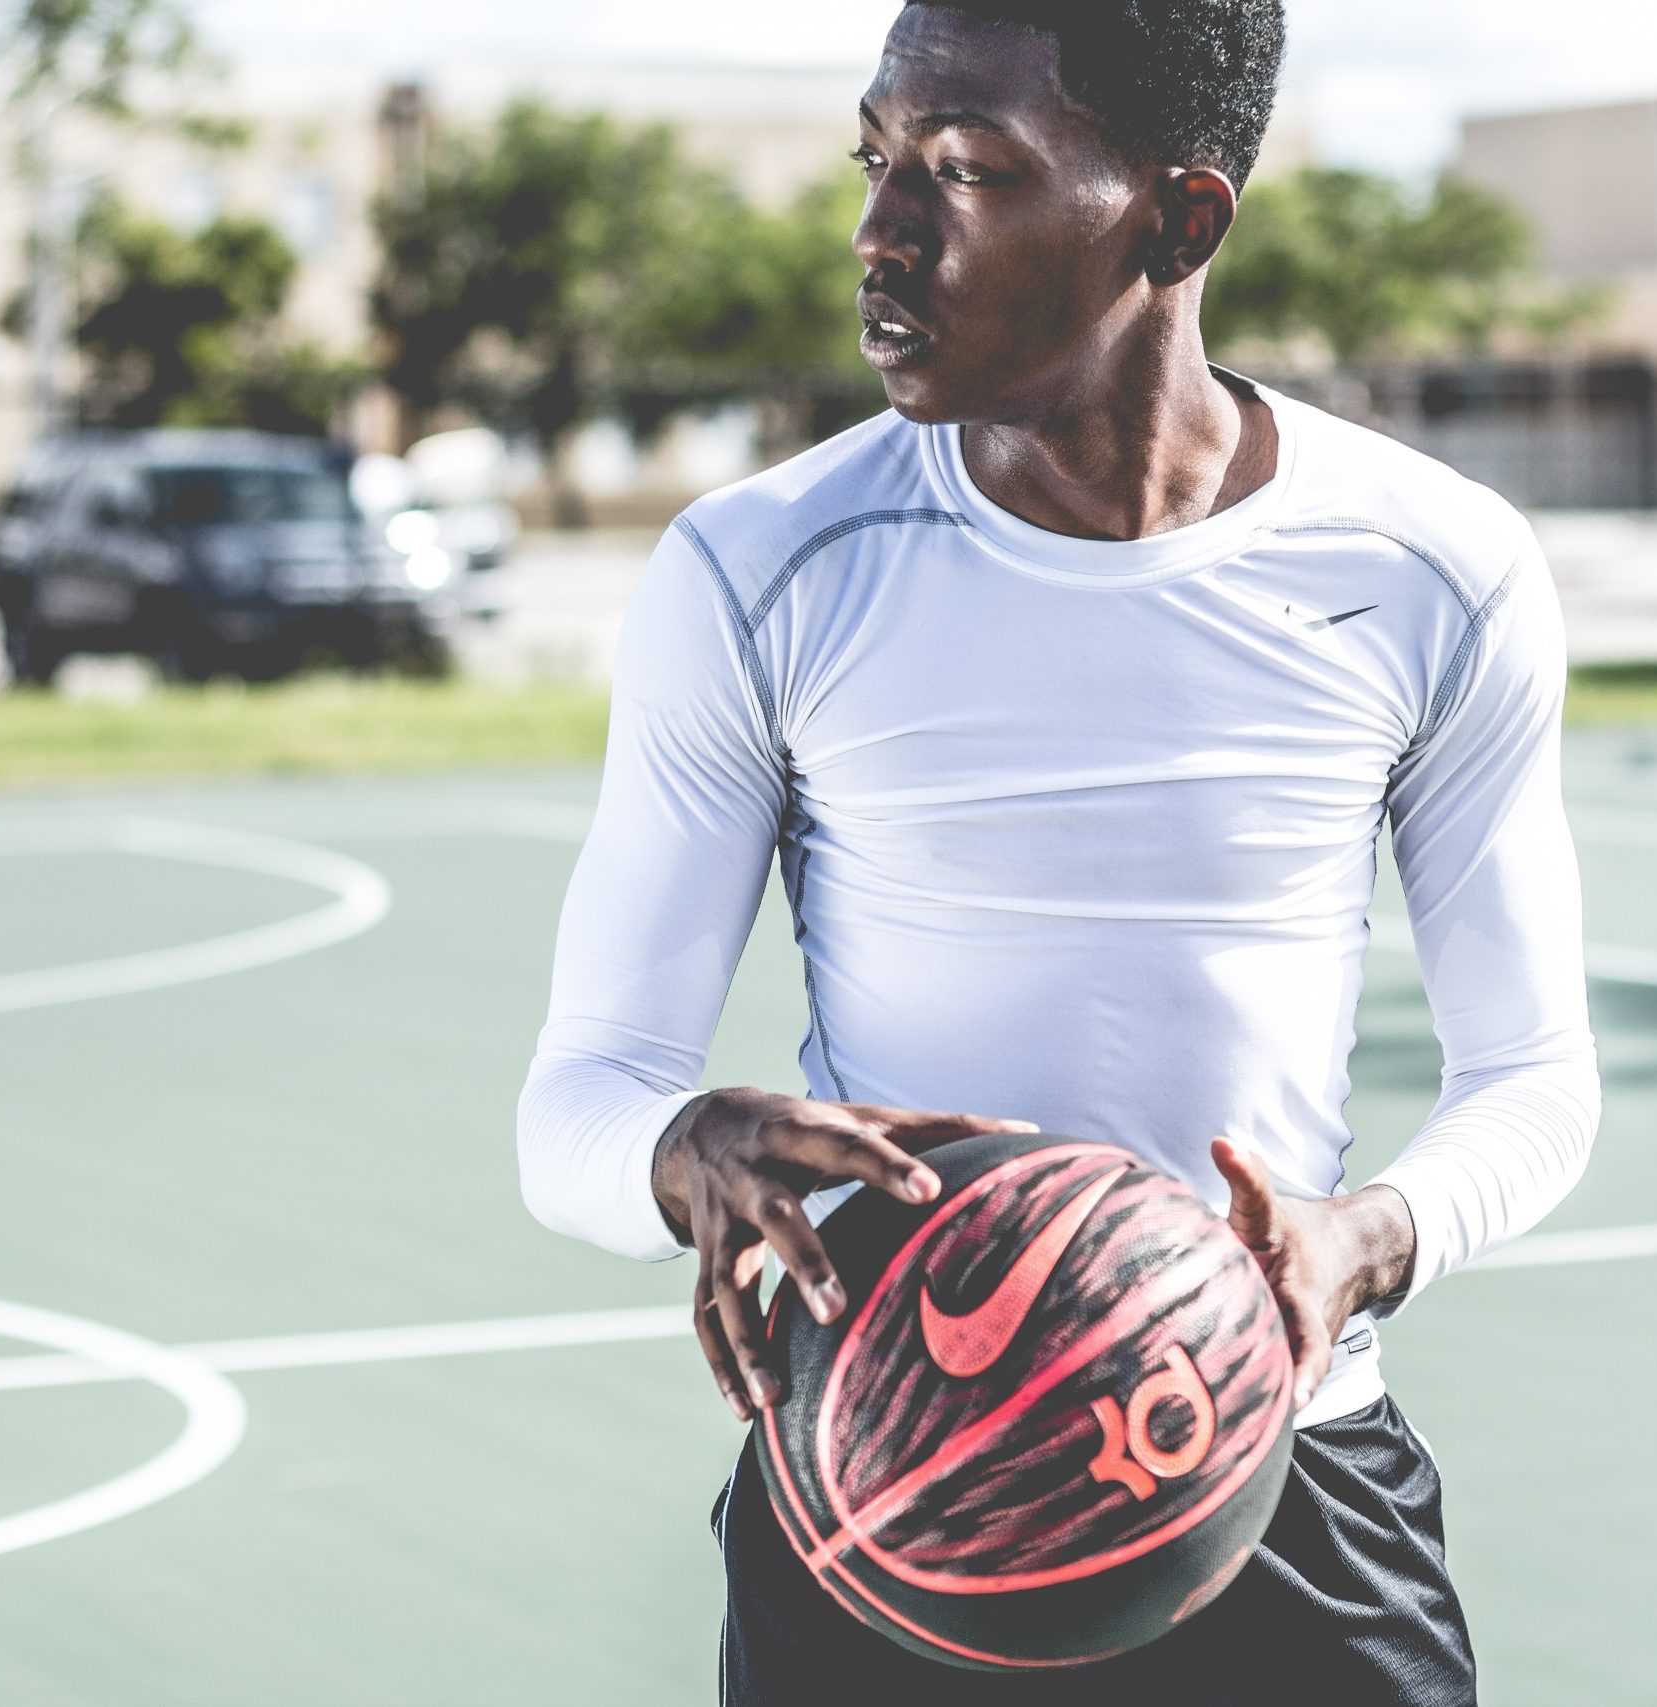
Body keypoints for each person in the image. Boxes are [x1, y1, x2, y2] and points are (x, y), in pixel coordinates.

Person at [517, 3, 1600, 1700]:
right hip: (893, 1499)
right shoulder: (760, 568)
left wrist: (1359, 1238)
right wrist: (687, 1150)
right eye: (876, 159)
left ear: (1180, 221)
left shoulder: (1431, 565)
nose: (879, 234)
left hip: (1283, 1476)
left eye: (962, 172)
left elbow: (1537, 1081)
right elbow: (575, 1100)